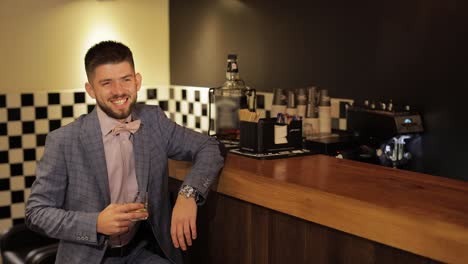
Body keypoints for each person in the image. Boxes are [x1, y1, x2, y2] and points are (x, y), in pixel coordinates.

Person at [25, 40, 225, 264]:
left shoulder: (154, 120)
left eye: (126, 79)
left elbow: (209, 146)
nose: (119, 91)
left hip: (141, 251)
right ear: (90, 89)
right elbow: (36, 213)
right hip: (88, 258)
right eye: (107, 83)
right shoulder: (63, 141)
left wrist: (188, 194)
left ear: (137, 81)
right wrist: (95, 223)